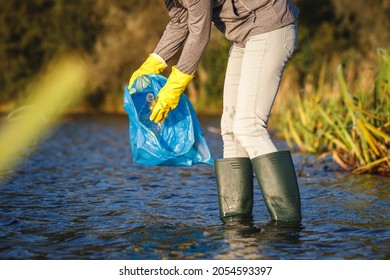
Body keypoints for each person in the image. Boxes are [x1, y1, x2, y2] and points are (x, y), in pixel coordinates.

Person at [128, 0, 301, 223]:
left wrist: (176, 84)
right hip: (242, 38)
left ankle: (287, 227)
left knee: (248, 126)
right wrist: (153, 63)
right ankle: (236, 223)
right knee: (230, 129)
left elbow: (199, 34)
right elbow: (181, 21)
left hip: (270, 29)